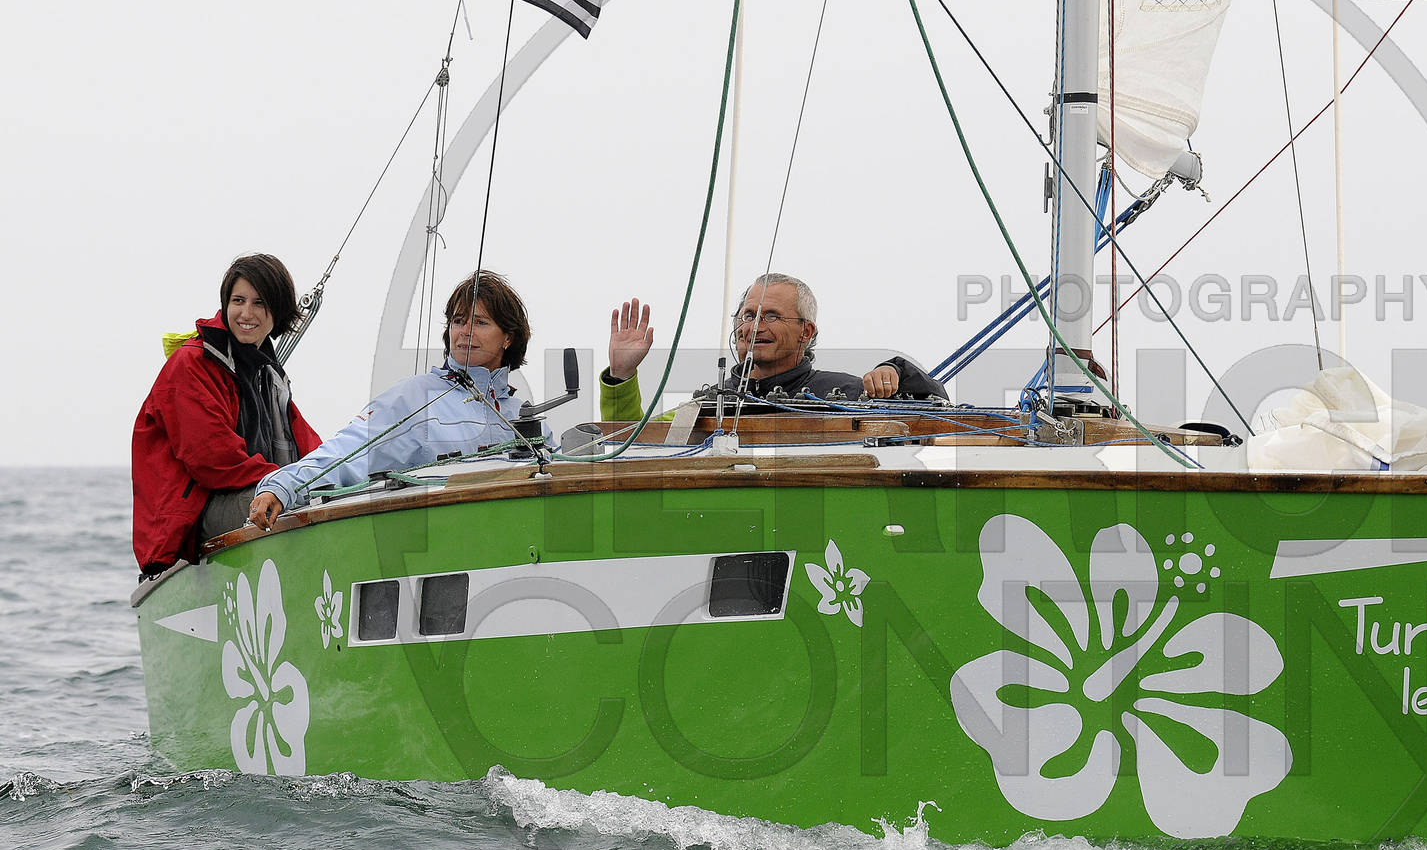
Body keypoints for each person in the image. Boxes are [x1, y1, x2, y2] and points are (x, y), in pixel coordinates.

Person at [247, 270, 604, 529]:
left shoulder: (523, 417)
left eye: (480, 322)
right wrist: (284, 486)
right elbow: (348, 450)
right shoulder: (416, 397)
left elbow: (560, 481)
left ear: (508, 337)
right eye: (458, 321)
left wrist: (618, 376)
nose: (464, 332)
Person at [132, 254, 323, 576]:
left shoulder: (267, 373)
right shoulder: (192, 365)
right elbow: (213, 461)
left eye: (259, 303)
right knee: (300, 502)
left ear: (278, 310)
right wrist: (284, 484)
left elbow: (309, 446)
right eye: (238, 301)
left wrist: (345, 473)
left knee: (337, 494)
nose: (246, 313)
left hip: (252, 489)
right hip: (193, 517)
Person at [596, 272, 945, 419]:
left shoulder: (845, 393)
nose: (753, 327)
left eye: (771, 316)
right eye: (747, 315)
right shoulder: (707, 406)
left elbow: (942, 412)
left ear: (806, 331)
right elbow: (631, 444)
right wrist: (621, 375)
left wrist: (895, 370)